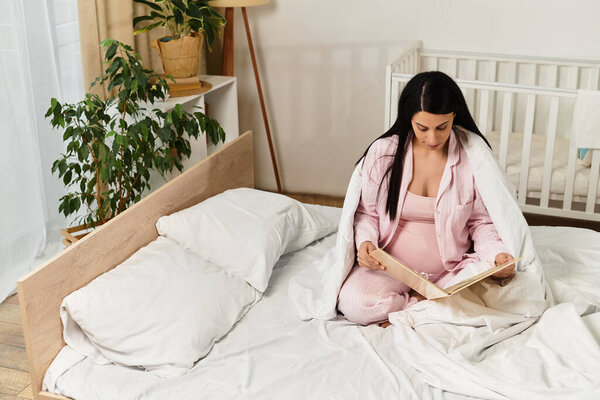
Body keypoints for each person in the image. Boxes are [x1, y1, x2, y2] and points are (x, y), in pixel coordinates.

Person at [337, 71, 515, 327]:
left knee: (503, 300)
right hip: (390, 268)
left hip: (451, 271)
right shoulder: (384, 153)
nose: (432, 138)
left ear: (455, 115)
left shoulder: (472, 156)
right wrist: (365, 242)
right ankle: (422, 306)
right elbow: (367, 213)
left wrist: (498, 255)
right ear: (409, 119)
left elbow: (482, 222)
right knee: (356, 303)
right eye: (422, 128)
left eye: (442, 127)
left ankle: (419, 305)